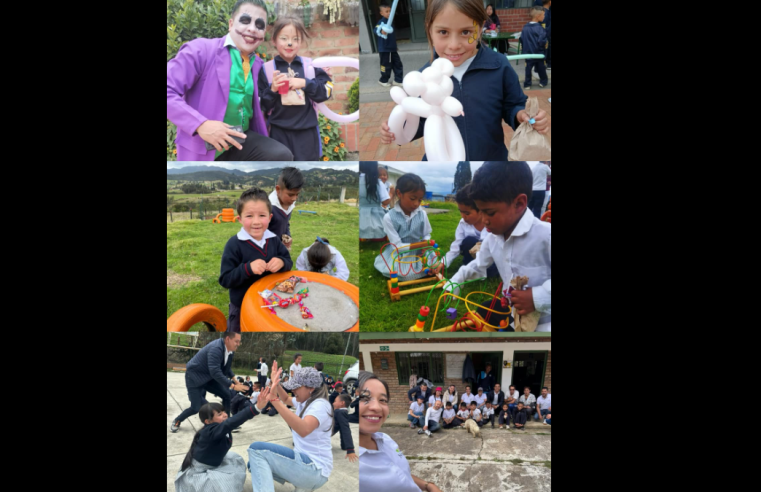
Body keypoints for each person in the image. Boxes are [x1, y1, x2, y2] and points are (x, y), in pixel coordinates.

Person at [379, 0, 550, 160]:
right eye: (443, 32)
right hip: (445, 165)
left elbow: (513, 104)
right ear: (429, 29)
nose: (454, 45)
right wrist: (396, 129)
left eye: (466, 32)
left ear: (481, 27)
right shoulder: (423, 78)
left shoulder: (499, 66)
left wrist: (521, 115)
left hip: (490, 161)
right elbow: (419, 122)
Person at [167, 0, 293, 162]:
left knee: (281, 156)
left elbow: (266, 103)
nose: (252, 29)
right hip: (203, 148)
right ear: (231, 24)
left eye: (259, 25)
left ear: (263, 35)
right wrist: (201, 125)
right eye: (245, 21)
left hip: (241, 142)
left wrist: (316, 76)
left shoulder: (259, 66)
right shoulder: (200, 50)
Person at [448, 162, 551, 332]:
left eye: (489, 213)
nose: (483, 220)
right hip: (512, 312)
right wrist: (456, 280)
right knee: (483, 310)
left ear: (519, 203)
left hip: (544, 323)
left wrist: (536, 297)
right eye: (479, 211)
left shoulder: (546, 235)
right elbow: (479, 264)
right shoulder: (492, 238)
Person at [248, 363, 335, 492]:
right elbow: (285, 398)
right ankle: (302, 486)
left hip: (314, 469)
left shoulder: (320, 405)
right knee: (254, 464)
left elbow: (304, 429)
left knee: (256, 450)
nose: (292, 390)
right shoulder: (304, 400)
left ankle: (303, 483)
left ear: (310, 387)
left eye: (296, 387)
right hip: (305, 466)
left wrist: (274, 400)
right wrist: (275, 382)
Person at [259, 16, 334, 160]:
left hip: (307, 133)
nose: (289, 43)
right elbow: (262, 104)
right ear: (274, 40)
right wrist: (273, 89)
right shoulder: (266, 70)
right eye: (284, 38)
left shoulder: (311, 67)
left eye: (295, 39)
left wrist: (305, 83)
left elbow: (326, 91)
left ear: (301, 42)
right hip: (278, 133)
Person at [219, 187, 293, 332]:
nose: (256, 222)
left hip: (270, 303)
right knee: (237, 334)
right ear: (239, 219)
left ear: (270, 218)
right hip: (242, 307)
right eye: (249, 216)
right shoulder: (234, 244)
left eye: (262, 215)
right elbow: (225, 279)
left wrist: (281, 262)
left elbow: (288, 261)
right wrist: (247, 269)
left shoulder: (274, 240)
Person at [358, 371, 442, 492]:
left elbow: (402, 474)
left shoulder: (386, 439)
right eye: (363, 398)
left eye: (383, 400)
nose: (376, 407)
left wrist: (427, 485)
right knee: (419, 416)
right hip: (415, 413)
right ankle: (414, 423)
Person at [175, 393, 271, 492]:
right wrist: (256, 408)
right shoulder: (211, 431)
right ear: (207, 421)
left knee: (235, 458)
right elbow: (230, 423)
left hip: (214, 460)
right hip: (202, 468)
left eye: (223, 411)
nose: (225, 415)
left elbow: (229, 424)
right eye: (219, 414)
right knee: (226, 484)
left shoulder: (218, 427)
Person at [171, 333, 249, 433]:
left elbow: (227, 367)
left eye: (239, 341)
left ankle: (227, 423)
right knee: (196, 407)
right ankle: (177, 420)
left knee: (227, 395)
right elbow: (215, 371)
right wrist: (233, 386)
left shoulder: (230, 351)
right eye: (236, 341)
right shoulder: (216, 348)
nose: (238, 344)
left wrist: (236, 381)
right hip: (194, 377)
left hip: (208, 378)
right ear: (228, 339)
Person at [374, 174, 436, 281]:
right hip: (401, 252)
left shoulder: (422, 214)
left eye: (420, 200)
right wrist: (421, 244)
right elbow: (397, 246)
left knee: (434, 265)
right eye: (412, 198)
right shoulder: (389, 217)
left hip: (420, 251)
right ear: (399, 193)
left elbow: (426, 234)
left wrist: (425, 245)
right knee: (403, 273)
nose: (416, 203)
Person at [439, 184, 496, 277]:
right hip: (471, 256)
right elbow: (456, 246)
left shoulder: (492, 224)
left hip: (490, 257)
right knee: (468, 241)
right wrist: (443, 262)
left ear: (480, 210)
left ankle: (485, 270)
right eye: (460, 211)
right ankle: (471, 266)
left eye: (467, 213)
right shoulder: (463, 223)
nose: (463, 216)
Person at [268, 167, 304, 252]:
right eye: (290, 195)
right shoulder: (268, 207)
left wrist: (287, 235)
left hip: (279, 248)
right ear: (278, 189)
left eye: (297, 194)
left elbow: (285, 224)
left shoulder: (290, 204)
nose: (294, 198)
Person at [359, 162, 392, 241]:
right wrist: (391, 192)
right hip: (376, 216)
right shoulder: (377, 182)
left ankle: (362, 237)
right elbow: (385, 202)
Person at [376, 2, 403, 87]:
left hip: (392, 48)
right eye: (386, 11)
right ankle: (383, 80)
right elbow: (376, 29)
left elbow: (392, 36)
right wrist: (381, 31)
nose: (389, 13)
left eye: (390, 11)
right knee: (385, 65)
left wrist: (395, 46)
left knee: (397, 63)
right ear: (381, 13)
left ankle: (398, 80)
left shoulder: (390, 22)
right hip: (384, 49)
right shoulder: (381, 22)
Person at [521, 7, 548, 90]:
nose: (544, 17)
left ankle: (527, 84)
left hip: (528, 53)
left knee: (528, 68)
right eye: (543, 15)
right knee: (541, 68)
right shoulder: (540, 28)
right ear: (538, 16)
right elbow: (542, 41)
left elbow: (522, 39)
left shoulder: (525, 27)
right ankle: (543, 81)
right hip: (538, 54)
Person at [333, 394, 358, 463]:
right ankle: (344, 446)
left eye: (335, 401)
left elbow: (345, 430)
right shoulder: (341, 412)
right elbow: (342, 428)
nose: (333, 403)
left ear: (342, 403)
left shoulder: (340, 412)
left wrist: (350, 449)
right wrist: (344, 446)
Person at [541, 0, 551, 70]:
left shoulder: (544, 11)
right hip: (547, 35)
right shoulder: (545, 13)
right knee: (548, 49)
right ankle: (549, 63)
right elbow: (544, 27)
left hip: (547, 34)